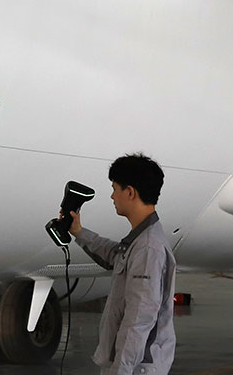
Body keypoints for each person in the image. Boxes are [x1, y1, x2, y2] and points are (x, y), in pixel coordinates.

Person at [67, 153, 176, 375]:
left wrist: (120, 371)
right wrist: (78, 232)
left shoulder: (147, 248)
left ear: (130, 192)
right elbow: (115, 255)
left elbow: (139, 320)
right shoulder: (140, 240)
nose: (112, 196)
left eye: (115, 188)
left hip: (136, 369)